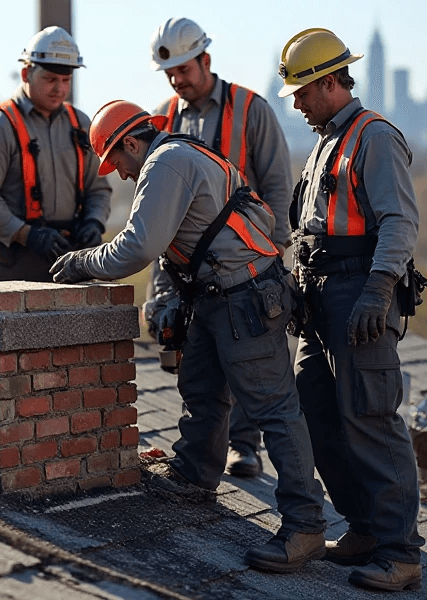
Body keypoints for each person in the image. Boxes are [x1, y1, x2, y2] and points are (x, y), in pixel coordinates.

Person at [51, 100, 327, 574]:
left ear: (131, 143)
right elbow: (178, 243)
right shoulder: (177, 154)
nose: (117, 173)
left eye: (116, 160)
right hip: (219, 295)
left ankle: (305, 525)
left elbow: (137, 247)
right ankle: (195, 476)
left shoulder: (165, 163)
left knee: (275, 412)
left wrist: (81, 262)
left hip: (247, 297)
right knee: (200, 389)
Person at [278, 28, 424, 592]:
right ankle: (364, 528)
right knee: (314, 411)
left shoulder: (374, 137)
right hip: (320, 298)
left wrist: (377, 289)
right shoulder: (326, 141)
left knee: (371, 419)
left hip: (360, 294)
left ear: (332, 82)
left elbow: (399, 223)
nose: (296, 102)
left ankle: (400, 552)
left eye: (303, 91)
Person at [146, 17, 294, 478]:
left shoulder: (251, 110)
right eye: (169, 74)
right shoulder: (164, 118)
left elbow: (277, 185)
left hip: (246, 261)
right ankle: (204, 455)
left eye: (184, 71)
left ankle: (244, 446)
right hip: (188, 267)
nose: (177, 81)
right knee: (201, 359)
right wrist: (159, 285)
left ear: (205, 60)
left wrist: (272, 255)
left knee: (247, 354)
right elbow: (154, 208)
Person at [0, 27, 111, 281]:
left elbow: (98, 188)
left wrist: (94, 223)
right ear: (26, 73)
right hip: (8, 265)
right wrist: (25, 234)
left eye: (66, 80)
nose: (59, 88)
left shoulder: (81, 124)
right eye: (50, 79)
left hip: (66, 259)